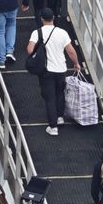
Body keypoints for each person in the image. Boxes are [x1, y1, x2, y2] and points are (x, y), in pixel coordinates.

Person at [26, 8, 80, 136]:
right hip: (61, 69)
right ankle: (60, 117)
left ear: (41, 19)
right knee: (60, 93)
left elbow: (29, 50)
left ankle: (53, 126)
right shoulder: (62, 33)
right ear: (53, 18)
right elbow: (71, 51)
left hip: (46, 70)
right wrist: (76, 63)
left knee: (49, 98)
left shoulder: (37, 33)